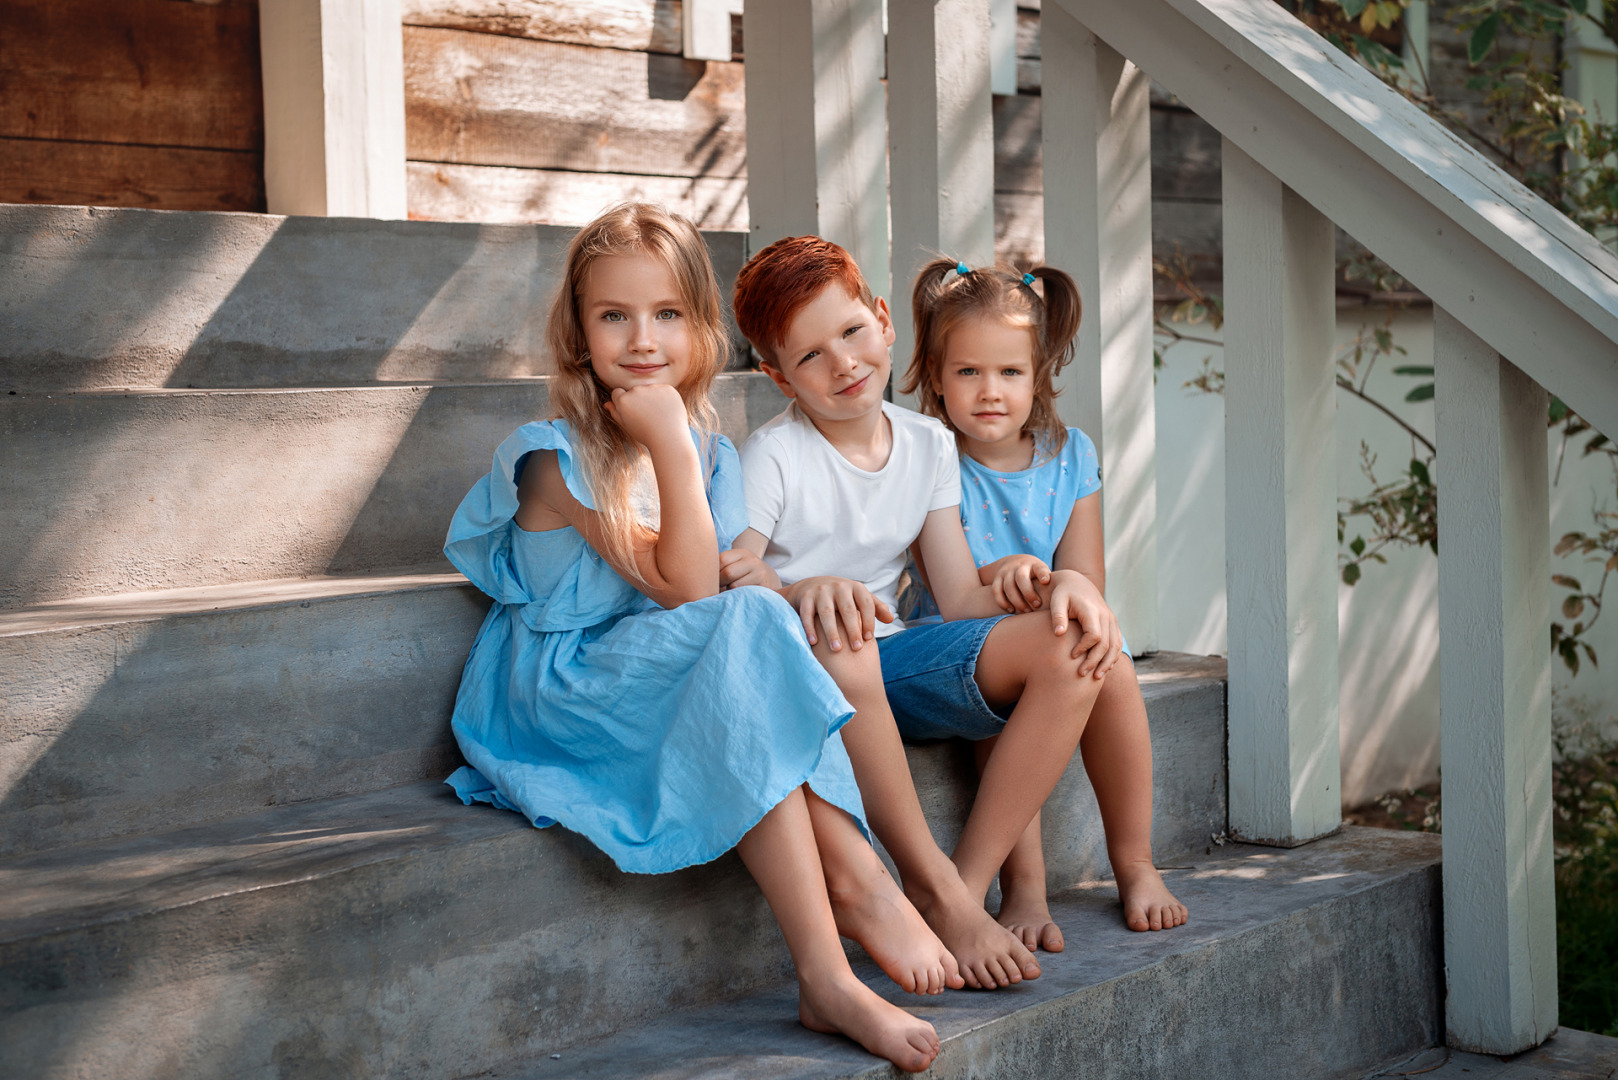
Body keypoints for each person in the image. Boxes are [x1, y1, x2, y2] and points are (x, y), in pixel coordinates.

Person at [441, 204, 951, 1072]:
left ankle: (846, 916)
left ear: (702, 330)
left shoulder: (716, 458)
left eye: (669, 314)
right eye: (615, 316)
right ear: (578, 332)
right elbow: (682, 588)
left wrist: (685, 451)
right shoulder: (547, 456)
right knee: (748, 621)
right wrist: (672, 446)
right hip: (560, 685)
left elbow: (706, 602)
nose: (644, 339)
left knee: (754, 622)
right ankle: (842, 925)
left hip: (663, 667)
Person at [721, 236, 1155, 992]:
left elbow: (960, 599)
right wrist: (798, 589)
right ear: (777, 376)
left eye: (852, 333)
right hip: (816, 664)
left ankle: (971, 875)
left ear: (884, 322)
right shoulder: (775, 455)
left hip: (899, 656)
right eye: (812, 355)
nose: (845, 363)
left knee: (1074, 646)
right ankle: (940, 893)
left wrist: (1058, 587)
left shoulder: (928, 444)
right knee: (845, 640)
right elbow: (729, 573)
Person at [898, 257, 1188, 946]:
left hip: (1038, 630)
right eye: (968, 371)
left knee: (1104, 653)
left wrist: (1064, 585)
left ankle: (1135, 861)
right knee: (1032, 670)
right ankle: (1020, 888)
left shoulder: (1069, 454)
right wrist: (1006, 575)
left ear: (1039, 375)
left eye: (1009, 372)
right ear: (936, 376)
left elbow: (1085, 575)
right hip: (952, 637)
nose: (989, 391)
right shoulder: (926, 455)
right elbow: (945, 581)